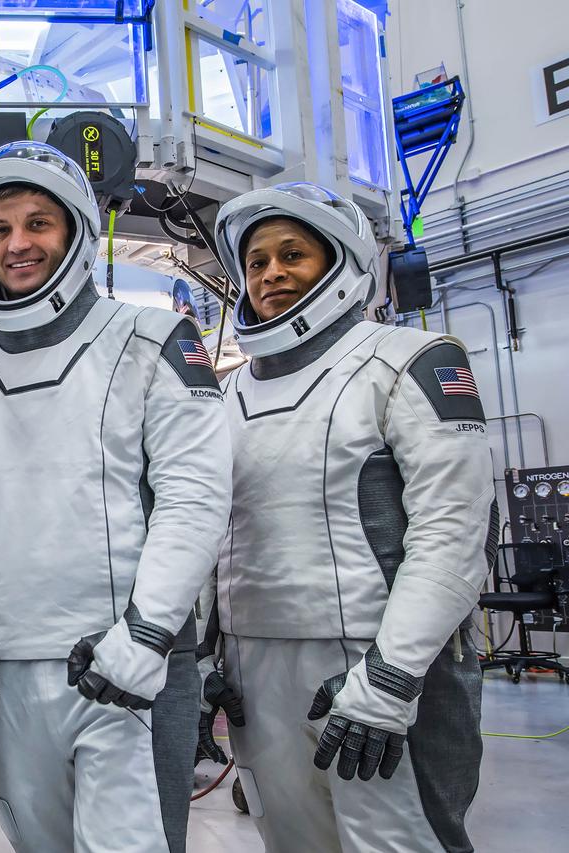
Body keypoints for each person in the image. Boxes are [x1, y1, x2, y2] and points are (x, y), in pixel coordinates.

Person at [0, 141, 232, 852]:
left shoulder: (154, 339)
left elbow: (194, 496)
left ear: (77, 234)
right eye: (0, 229)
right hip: (3, 674)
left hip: (126, 669)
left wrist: (149, 634)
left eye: (38, 223)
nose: (17, 244)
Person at [207, 182, 496, 852]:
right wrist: (198, 658)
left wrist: (391, 676)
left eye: (292, 255)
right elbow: (205, 530)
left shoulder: (409, 360)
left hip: (383, 666)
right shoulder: (227, 395)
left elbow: (451, 533)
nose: (271, 273)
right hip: (256, 671)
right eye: (256, 263)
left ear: (339, 262)